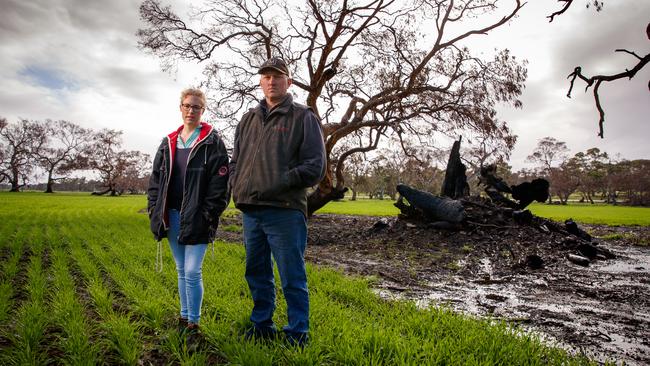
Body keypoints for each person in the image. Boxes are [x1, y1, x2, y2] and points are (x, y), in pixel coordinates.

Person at [229, 57, 326, 347]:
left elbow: (315, 167)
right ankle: (262, 326)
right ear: (260, 82)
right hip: (251, 211)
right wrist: (236, 183)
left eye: (277, 76)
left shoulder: (303, 116)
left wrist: (278, 181)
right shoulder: (248, 119)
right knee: (256, 273)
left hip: (284, 211)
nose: (271, 81)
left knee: (291, 276)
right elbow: (236, 161)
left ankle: (298, 333)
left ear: (289, 82)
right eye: (266, 76)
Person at [147, 88, 230, 347]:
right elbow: (155, 181)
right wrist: (154, 209)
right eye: (186, 106)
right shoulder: (168, 142)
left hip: (197, 217)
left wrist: (207, 214)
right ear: (180, 108)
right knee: (182, 270)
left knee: (193, 271)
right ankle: (183, 319)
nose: (191, 110)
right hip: (171, 215)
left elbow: (220, 185)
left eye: (196, 107)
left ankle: (194, 323)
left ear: (203, 110)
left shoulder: (211, 141)